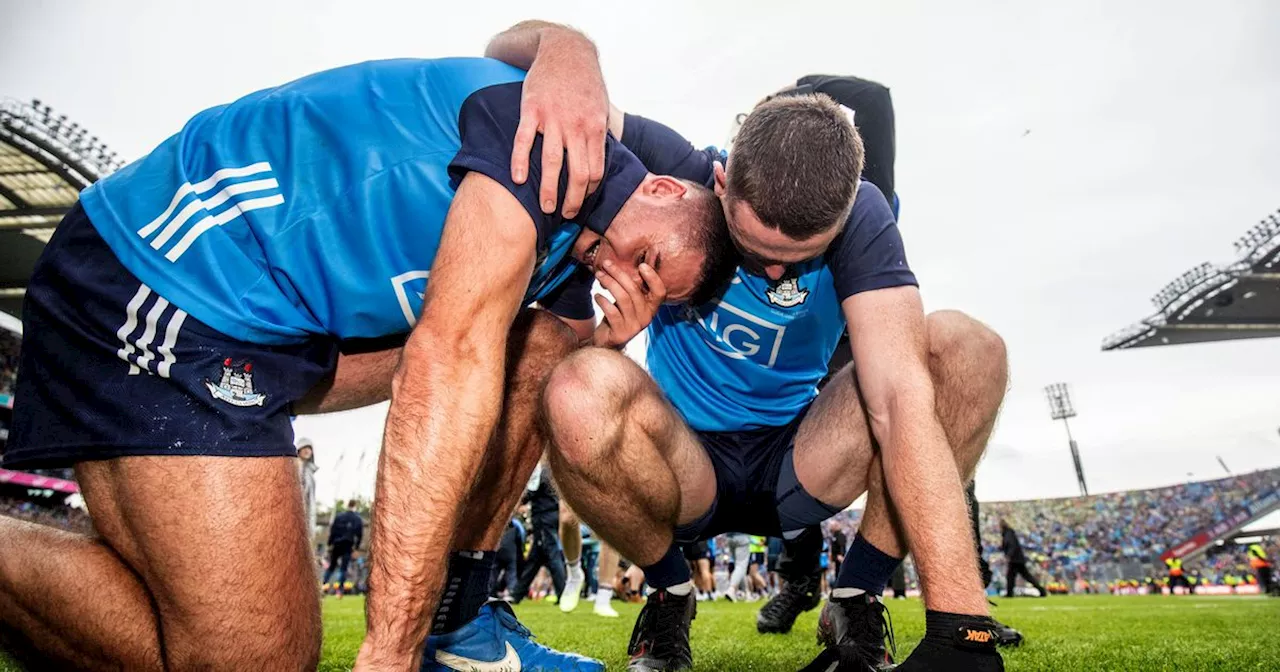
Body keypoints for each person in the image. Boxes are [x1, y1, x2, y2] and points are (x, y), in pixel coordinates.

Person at [0, 52, 736, 671]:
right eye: (643, 257)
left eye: (642, 288)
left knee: (542, 347)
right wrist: (389, 649)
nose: (618, 272)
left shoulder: (577, 254)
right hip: (162, 272)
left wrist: (603, 339)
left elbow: (520, 377)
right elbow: (441, 368)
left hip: (255, 332)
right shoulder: (558, 147)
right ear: (664, 189)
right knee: (256, 661)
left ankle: (463, 618)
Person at [493, 24, 1009, 672]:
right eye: (755, 250)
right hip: (682, 460)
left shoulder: (864, 217)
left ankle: (855, 591)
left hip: (801, 457)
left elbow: (900, 399)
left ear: (844, 215)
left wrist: (964, 632)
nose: (773, 277)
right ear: (720, 181)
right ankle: (671, 591)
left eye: (798, 260)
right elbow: (501, 60)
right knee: (576, 384)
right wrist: (569, 47)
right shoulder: (672, 167)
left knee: (969, 349)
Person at [512, 463, 568, 604]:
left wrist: (515, 500)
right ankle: (517, 594)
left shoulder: (542, 473)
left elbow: (532, 492)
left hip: (543, 517)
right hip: (547, 516)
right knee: (535, 558)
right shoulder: (551, 471)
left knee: (552, 555)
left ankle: (563, 594)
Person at [324, 500, 364, 597]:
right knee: (343, 567)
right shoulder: (357, 518)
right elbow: (359, 534)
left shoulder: (339, 516)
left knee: (332, 565)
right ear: (355, 505)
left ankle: (324, 584)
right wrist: (357, 547)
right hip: (347, 544)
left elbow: (333, 530)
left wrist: (330, 543)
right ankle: (340, 589)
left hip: (337, 543)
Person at [1000, 520, 1046, 598]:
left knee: (1012, 576)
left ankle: (1009, 593)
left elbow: (1011, 546)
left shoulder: (1008, 534)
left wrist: (1008, 556)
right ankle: (1041, 590)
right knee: (1023, 576)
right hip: (1017, 559)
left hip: (1015, 559)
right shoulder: (1009, 533)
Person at [296, 438, 320, 555]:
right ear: (298, 450)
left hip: (305, 513)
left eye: (309, 448)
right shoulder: (294, 466)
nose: (307, 450)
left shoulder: (309, 471)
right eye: (304, 447)